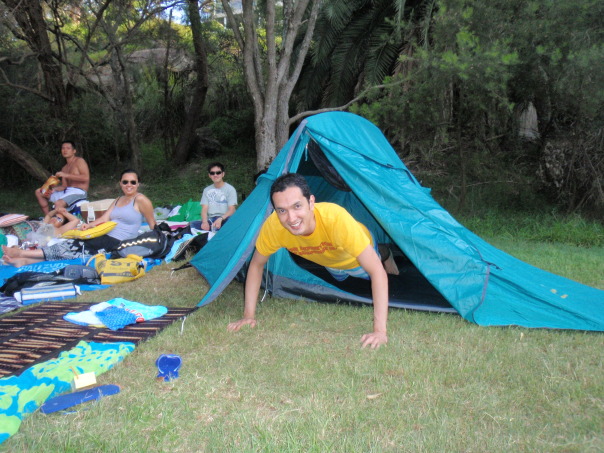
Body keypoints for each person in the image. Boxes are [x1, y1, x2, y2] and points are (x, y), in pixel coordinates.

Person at [227, 173, 395, 349]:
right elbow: (256, 265)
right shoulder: (274, 227)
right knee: (340, 278)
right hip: (331, 262)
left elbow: (377, 272)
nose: (291, 218)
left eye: (297, 206)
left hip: (354, 257)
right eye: (282, 210)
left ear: (311, 202)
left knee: (367, 271)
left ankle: (385, 252)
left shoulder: (336, 220)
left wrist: (379, 331)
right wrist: (248, 316)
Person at [4, 170, 155, 267]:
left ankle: (22, 254)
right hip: (103, 234)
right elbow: (103, 218)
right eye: (125, 182)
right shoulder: (117, 200)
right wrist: (88, 226)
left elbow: (152, 225)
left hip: (117, 242)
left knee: (76, 248)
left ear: (138, 184)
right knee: (73, 242)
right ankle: (25, 261)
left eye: (132, 182)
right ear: (120, 183)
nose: (129, 185)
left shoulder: (141, 200)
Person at [35, 141, 90, 215]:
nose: (65, 150)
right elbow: (64, 186)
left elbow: (86, 178)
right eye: (63, 148)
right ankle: (47, 217)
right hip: (67, 191)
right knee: (39, 192)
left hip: (79, 191)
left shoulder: (79, 161)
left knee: (59, 203)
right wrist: (53, 189)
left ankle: (57, 222)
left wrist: (66, 175)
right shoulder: (64, 168)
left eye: (68, 148)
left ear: (74, 151)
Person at [197, 162, 237, 231]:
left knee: (228, 227)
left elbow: (232, 210)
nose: (215, 175)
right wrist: (204, 222)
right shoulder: (206, 190)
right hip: (211, 219)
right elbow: (204, 208)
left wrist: (221, 218)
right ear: (209, 175)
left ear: (223, 174)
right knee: (192, 225)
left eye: (218, 173)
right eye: (212, 173)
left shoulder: (230, 189)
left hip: (225, 218)